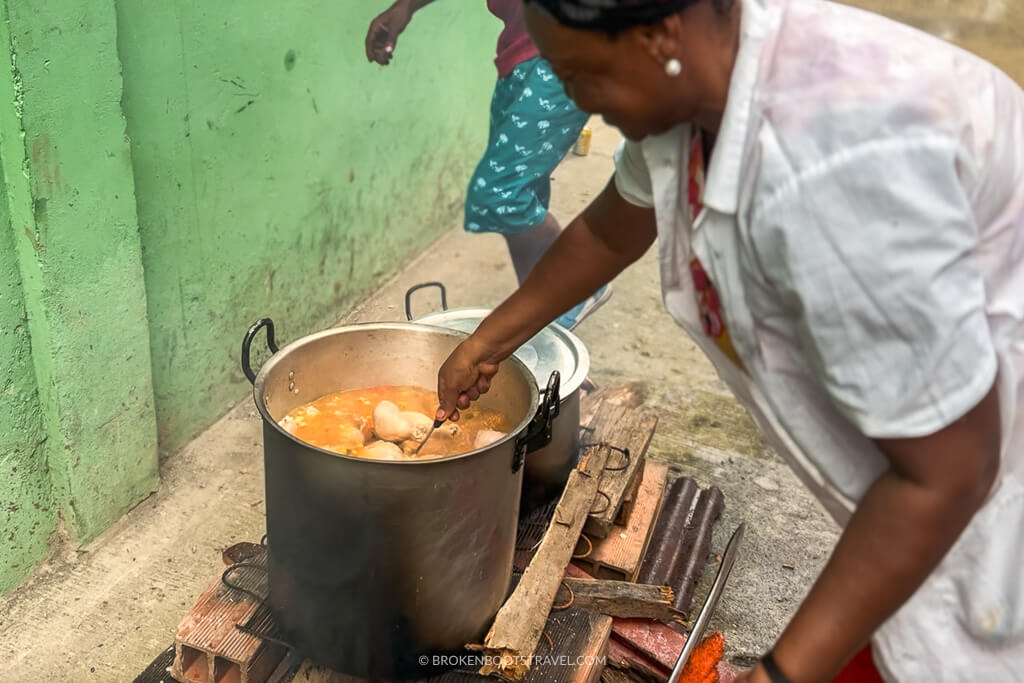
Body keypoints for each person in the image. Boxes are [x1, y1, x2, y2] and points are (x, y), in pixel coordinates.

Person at [433, 0, 1024, 681]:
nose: (573, 99)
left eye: (578, 72)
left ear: (658, 35)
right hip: (928, 493)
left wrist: (779, 671)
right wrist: (488, 343)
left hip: (978, 510)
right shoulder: (702, 83)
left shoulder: (835, 168)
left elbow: (946, 474)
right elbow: (615, 223)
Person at [365, 0, 612, 329]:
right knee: (526, 200)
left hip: (567, 53)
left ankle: (580, 287)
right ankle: (547, 329)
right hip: (519, 56)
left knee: (501, 195)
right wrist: (407, 8)